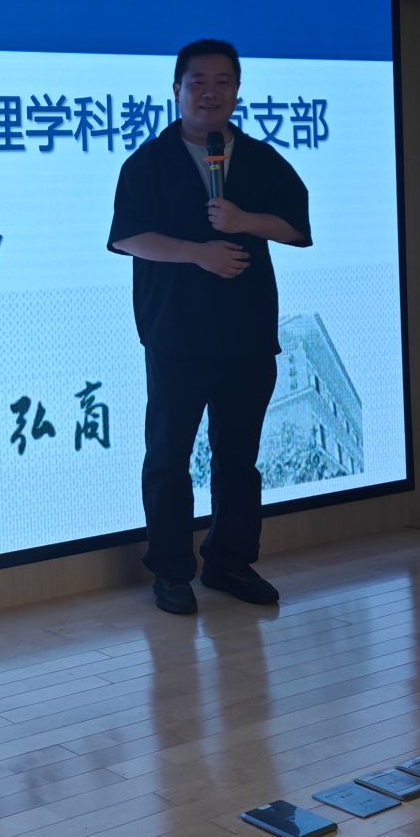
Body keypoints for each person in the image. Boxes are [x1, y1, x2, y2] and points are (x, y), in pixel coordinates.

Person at [107, 40, 311, 615]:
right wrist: (198, 253)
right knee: (168, 455)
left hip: (247, 333)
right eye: (198, 81)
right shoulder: (148, 162)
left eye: (223, 81)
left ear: (237, 92)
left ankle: (230, 561)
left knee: (239, 456)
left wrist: (244, 220)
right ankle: (172, 571)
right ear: (177, 90)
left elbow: (297, 227)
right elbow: (129, 237)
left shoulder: (261, 158)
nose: (210, 92)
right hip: (176, 332)